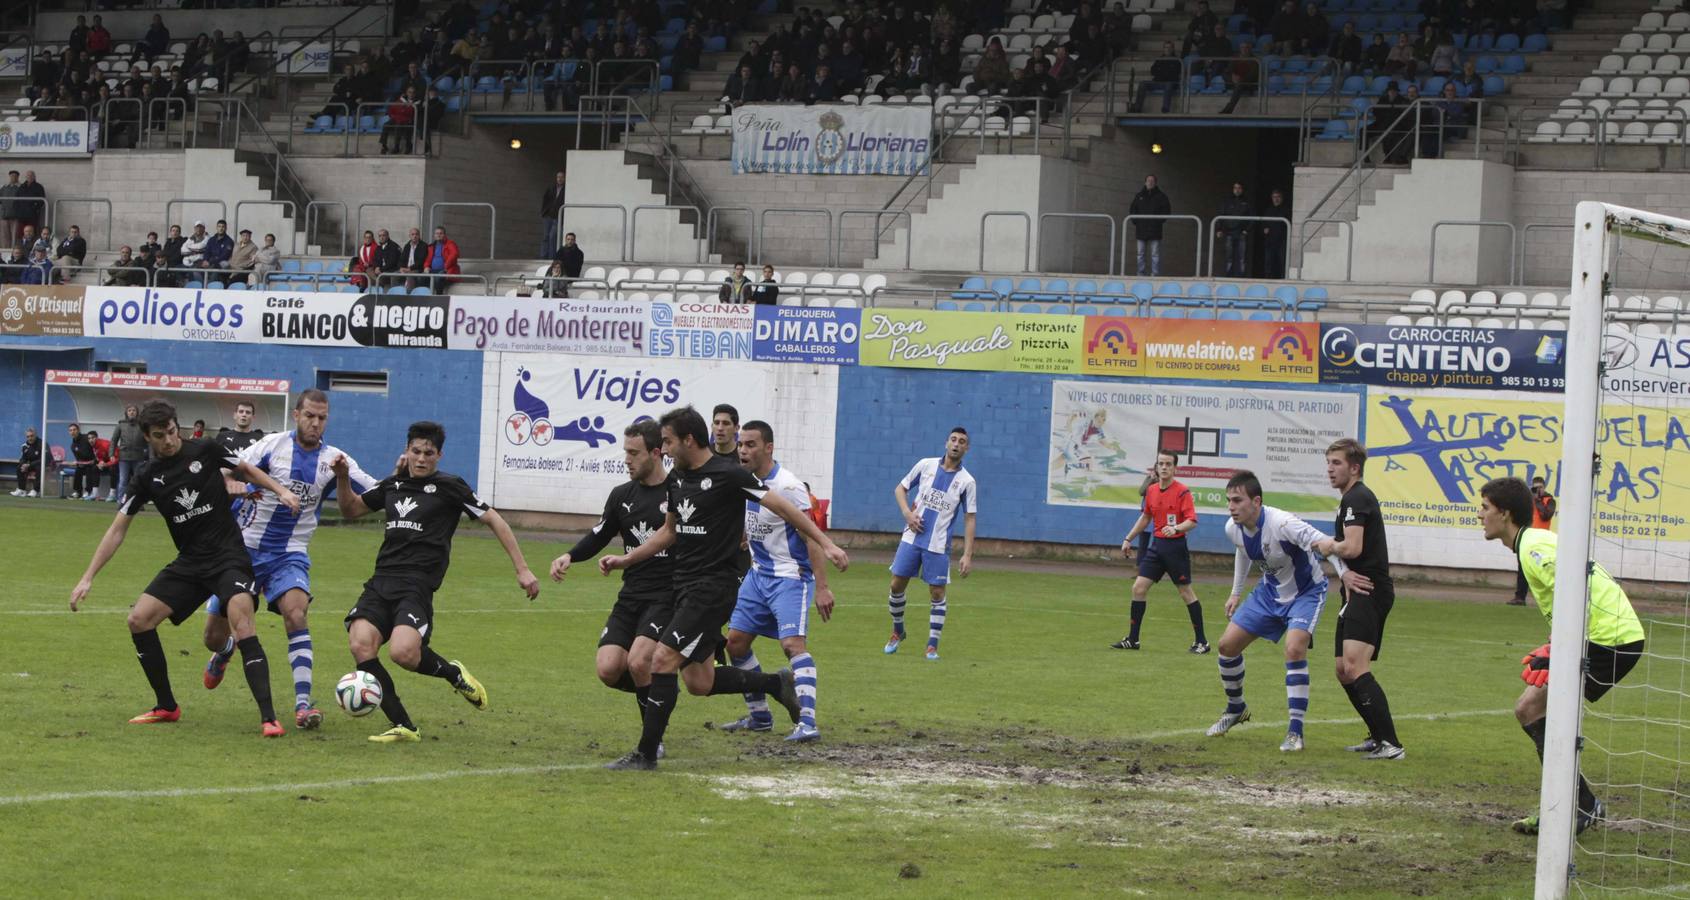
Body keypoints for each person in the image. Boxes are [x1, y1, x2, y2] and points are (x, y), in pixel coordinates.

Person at [595, 406, 849, 770]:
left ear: (688, 440)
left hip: (714, 589)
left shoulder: (729, 474)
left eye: (667, 442)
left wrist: (826, 544)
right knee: (699, 681)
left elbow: (784, 508)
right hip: (682, 586)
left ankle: (646, 754)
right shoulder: (678, 478)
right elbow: (670, 531)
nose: (663, 450)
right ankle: (776, 684)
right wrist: (627, 559)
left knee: (661, 660)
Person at [68, 400, 302, 735]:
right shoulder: (147, 476)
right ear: (148, 437)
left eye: (172, 432)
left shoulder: (205, 449)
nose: (169, 440)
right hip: (191, 563)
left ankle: (268, 718)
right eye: (160, 435)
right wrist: (87, 578)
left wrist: (281, 491)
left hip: (228, 558)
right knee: (138, 620)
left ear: (180, 427)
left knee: (242, 623)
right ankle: (166, 706)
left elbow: (246, 470)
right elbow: (118, 528)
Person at [333, 420, 540, 742]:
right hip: (380, 581)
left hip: (416, 585)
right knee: (360, 644)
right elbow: (350, 510)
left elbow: (494, 519)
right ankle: (404, 726)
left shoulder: (449, 486)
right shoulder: (392, 485)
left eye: (428, 453)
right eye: (415, 451)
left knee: (403, 653)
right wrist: (343, 478)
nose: (420, 459)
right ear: (407, 451)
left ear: (439, 455)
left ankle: (454, 674)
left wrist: (522, 569)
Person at [201, 390, 378, 730]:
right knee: (212, 635)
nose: (315, 423)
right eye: (309, 415)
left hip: (290, 553)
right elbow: (225, 471)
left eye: (321, 417)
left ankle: (302, 704)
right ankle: (224, 650)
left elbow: (374, 490)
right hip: (243, 550)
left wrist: (402, 482)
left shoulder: (335, 459)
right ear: (296, 415)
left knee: (296, 612)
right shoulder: (270, 446)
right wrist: (231, 486)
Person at [1479, 476, 1644, 835]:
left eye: (1485, 508)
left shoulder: (1534, 549)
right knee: (1530, 709)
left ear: (1504, 514)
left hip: (1609, 640)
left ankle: (1572, 807)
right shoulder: (1531, 543)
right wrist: (1557, 644)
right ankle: (1577, 804)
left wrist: (1561, 648)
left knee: (1538, 712)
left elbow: (1579, 592)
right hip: (1605, 637)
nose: (1480, 515)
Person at [549, 420, 674, 742]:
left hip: (667, 594)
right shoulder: (622, 495)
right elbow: (599, 535)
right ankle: (661, 692)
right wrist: (570, 556)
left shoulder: (678, 491)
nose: (627, 459)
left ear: (656, 453)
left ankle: (652, 737)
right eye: (625, 452)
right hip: (631, 594)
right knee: (608, 669)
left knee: (639, 660)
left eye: (634, 453)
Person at [1205, 470, 1342, 752]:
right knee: (1226, 646)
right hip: (1268, 594)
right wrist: (1235, 592)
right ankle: (1235, 708)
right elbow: (1242, 551)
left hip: (1306, 592)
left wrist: (1346, 575)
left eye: (1237, 500)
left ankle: (1295, 732)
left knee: (1294, 649)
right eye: (1229, 500)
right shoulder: (1234, 527)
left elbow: (1326, 544)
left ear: (1256, 502)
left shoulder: (1283, 524)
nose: (1231, 506)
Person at [718, 420, 834, 741]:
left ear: (769, 447)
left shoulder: (789, 486)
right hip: (758, 575)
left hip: (789, 577)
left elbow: (811, 537)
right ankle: (759, 717)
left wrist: (822, 587)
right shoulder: (745, 481)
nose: (743, 450)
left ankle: (808, 723)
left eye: (750, 444)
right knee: (735, 643)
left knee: (792, 645)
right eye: (741, 444)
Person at [1312, 439, 1404, 760]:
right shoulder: (1349, 499)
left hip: (1369, 589)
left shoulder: (1357, 497)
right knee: (1342, 668)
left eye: (1336, 463)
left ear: (1354, 468)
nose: (1330, 469)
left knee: (1355, 664)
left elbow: (1352, 548)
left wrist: (1328, 544)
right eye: (1328, 463)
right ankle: (1377, 737)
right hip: (1354, 590)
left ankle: (1391, 744)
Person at [883, 427, 977, 661]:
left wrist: (967, 554)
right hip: (911, 537)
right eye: (953, 439)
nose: (956, 444)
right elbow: (900, 488)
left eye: (962, 442)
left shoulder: (967, 482)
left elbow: (970, 518)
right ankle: (898, 631)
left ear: (967, 448)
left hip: (938, 544)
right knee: (896, 585)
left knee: (937, 592)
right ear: (946, 443)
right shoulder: (925, 465)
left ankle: (932, 645)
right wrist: (907, 513)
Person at [1115, 449, 1208, 653]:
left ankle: (1202, 641)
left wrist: (1176, 528)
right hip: (1156, 547)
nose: (1164, 467)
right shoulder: (1151, 490)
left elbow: (1192, 521)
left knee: (1185, 592)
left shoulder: (1183, 491)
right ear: (1156, 467)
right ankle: (1133, 639)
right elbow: (1146, 517)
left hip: (1175, 548)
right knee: (1138, 588)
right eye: (1161, 464)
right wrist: (1128, 538)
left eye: (1168, 464)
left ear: (1175, 468)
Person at [1508, 475, 1557, 605]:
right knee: (1523, 568)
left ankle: (1550, 599)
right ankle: (1520, 597)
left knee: (1544, 569)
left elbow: (1546, 515)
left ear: (1544, 487)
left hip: (1542, 539)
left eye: (1540, 488)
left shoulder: (1550, 500)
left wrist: (1538, 501)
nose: (1538, 490)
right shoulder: (1529, 501)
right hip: (1527, 536)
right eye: (1535, 488)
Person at [1129, 175, 1171, 277]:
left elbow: (1166, 211)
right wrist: (1136, 221)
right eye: (1148, 180)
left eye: (1152, 181)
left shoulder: (1161, 196)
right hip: (1141, 229)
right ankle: (1140, 274)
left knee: (1155, 255)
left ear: (1155, 183)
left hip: (1155, 230)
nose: (1150, 182)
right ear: (1145, 182)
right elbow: (1133, 209)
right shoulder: (1139, 196)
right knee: (1140, 254)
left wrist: (1158, 222)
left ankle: (1155, 274)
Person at [1131, 43, 1182, 114]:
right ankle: (1137, 108)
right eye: (1165, 47)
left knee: (1169, 84)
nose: (1167, 49)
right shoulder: (1159, 59)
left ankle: (1165, 109)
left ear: (1173, 49)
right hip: (1158, 82)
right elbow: (1152, 71)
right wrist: (1165, 72)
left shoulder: (1177, 60)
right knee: (1142, 84)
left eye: (1169, 47)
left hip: (1170, 83)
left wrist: (1161, 71)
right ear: (1163, 49)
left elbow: (1175, 74)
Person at [1217, 182, 1254, 277]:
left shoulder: (1247, 202)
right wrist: (1219, 229)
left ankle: (1241, 276)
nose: (1237, 190)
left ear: (1242, 189)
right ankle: (1228, 276)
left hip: (1242, 233)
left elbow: (1252, 217)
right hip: (1229, 232)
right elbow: (1221, 215)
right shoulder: (1227, 201)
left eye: (1239, 188)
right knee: (1229, 257)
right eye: (1235, 188)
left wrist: (1247, 230)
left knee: (1242, 257)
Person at [1260, 188, 1290, 279]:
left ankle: (1283, 278)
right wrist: (1264, 229)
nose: (1276, 199)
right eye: (1274, 197)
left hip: (1282, 240)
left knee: (1282, 261)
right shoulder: (1268, 210)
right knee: (1269, 261)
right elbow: (1263, 223)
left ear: (1282, 198)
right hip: (1270, 241)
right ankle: (1268, 278)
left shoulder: (1286, 210)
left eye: (1278, 197)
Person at [539, 170, 567, 257]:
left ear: (565, 178)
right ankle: (543, 256)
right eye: (558, 177)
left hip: (558, 217)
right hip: (548, 216)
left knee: (552, 237)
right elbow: (545, 200)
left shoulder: (566, 189)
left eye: (562, 177)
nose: (560, 179)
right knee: (545, 237)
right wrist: (544, 212)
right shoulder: (551, 188)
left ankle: (551, 257)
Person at [425, 226, 460, 291]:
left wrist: (446, 266)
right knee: (420, 278)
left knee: (438, 278)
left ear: (444, 235)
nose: (438, 235)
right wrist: (426, 267)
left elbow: (454, 254)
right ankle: (425, 296)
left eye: (441, 233)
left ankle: (438, 297)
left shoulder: (450, 243)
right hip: (433, 271)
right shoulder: (431, 246)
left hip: (446, 270)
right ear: (434, 235)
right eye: (437, 233)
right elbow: (428, 259)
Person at [67, 422, 96, 499]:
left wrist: (94, 460)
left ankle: (88, 491)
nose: (72, 432)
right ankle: (78, 492)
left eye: (74, 430)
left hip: (93, 462)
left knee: (89, 469)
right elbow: (78, 459)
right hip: (83, 464)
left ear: (78, 430)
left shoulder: (87, 438)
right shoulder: (73, 446)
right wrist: (79, 463)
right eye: (70, 430)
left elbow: (96, 449)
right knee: (78, 470)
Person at [552, 231, 584, 296]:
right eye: (568, 239)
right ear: (565, 240)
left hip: (571, 275)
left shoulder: (579, 253)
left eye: (572, 239)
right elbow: (555, 263)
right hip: (559, 273)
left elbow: (577, 267)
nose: (570, 241)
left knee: (559, 281)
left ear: (574, 241)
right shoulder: (561, 251)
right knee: (550, 276)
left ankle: (558, 293)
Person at [12, 427, 41, 497]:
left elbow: (46, 459)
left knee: (39, 468)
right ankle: (22, 490)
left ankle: (36, 490)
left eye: (31, 436)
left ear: (35, 435)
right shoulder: (25, 446)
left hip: (41, 464)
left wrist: (29, 465)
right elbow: (22, 458)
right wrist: (23, 464)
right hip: (30, 465)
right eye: (28, 436)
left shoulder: (42, 444)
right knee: (19, 467)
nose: (30, 438)